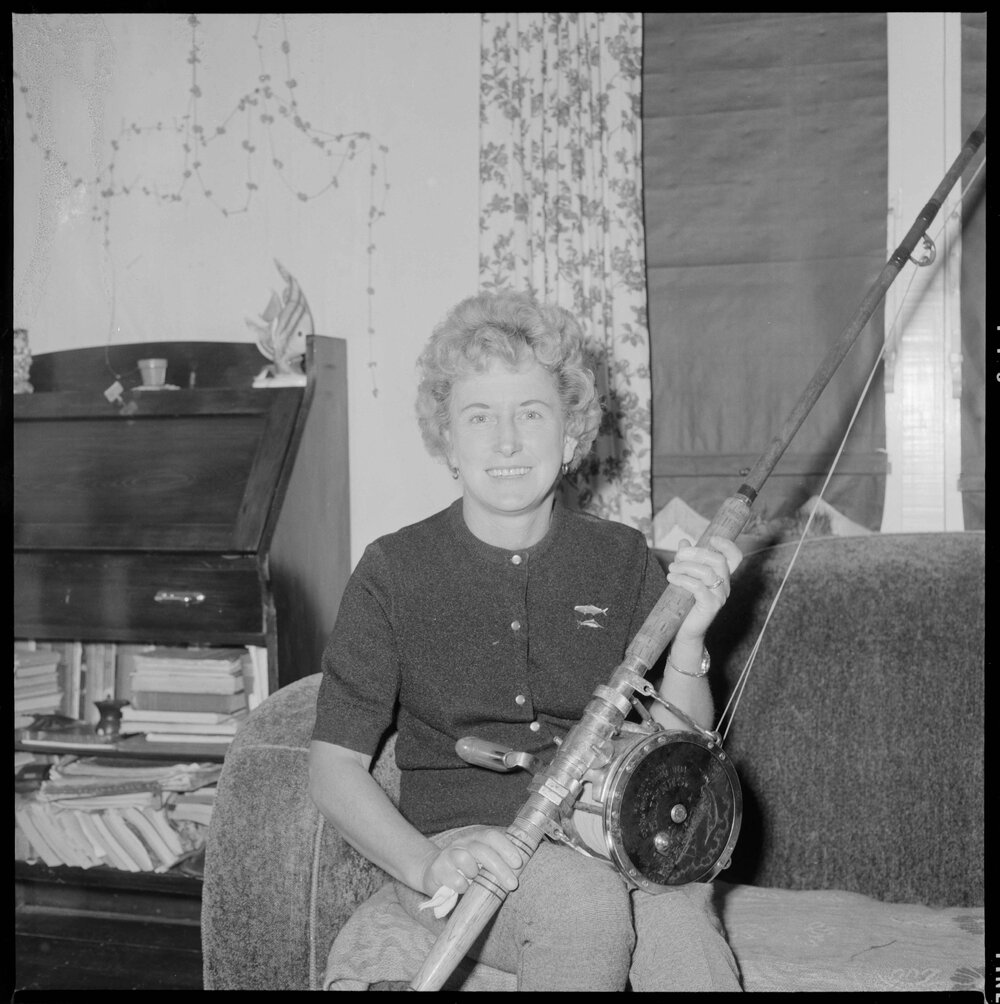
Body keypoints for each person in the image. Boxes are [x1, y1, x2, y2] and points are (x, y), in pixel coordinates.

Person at [309, 289, 744, 992]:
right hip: (466, 848)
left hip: (608, 833)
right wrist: (428, 865)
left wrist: (691, 640)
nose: (506, 442)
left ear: (570, 437)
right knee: (580, 900)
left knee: (682, 923)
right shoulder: (393, 570)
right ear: (448, 440)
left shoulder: (622, 557)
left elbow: (678, 757)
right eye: (479, 416)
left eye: (531, 414)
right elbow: (333, 769)